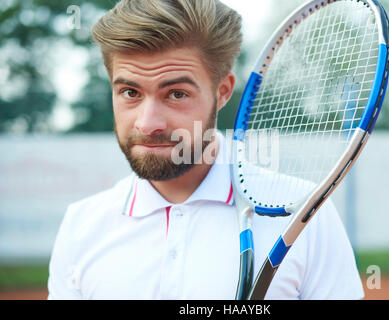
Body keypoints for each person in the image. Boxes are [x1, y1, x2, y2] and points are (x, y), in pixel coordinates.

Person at [48, 0, 364, 300]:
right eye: (130, 92)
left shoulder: (304, 212)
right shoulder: (81, 226)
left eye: (175, 94)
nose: (148, 124)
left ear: (222, 91)